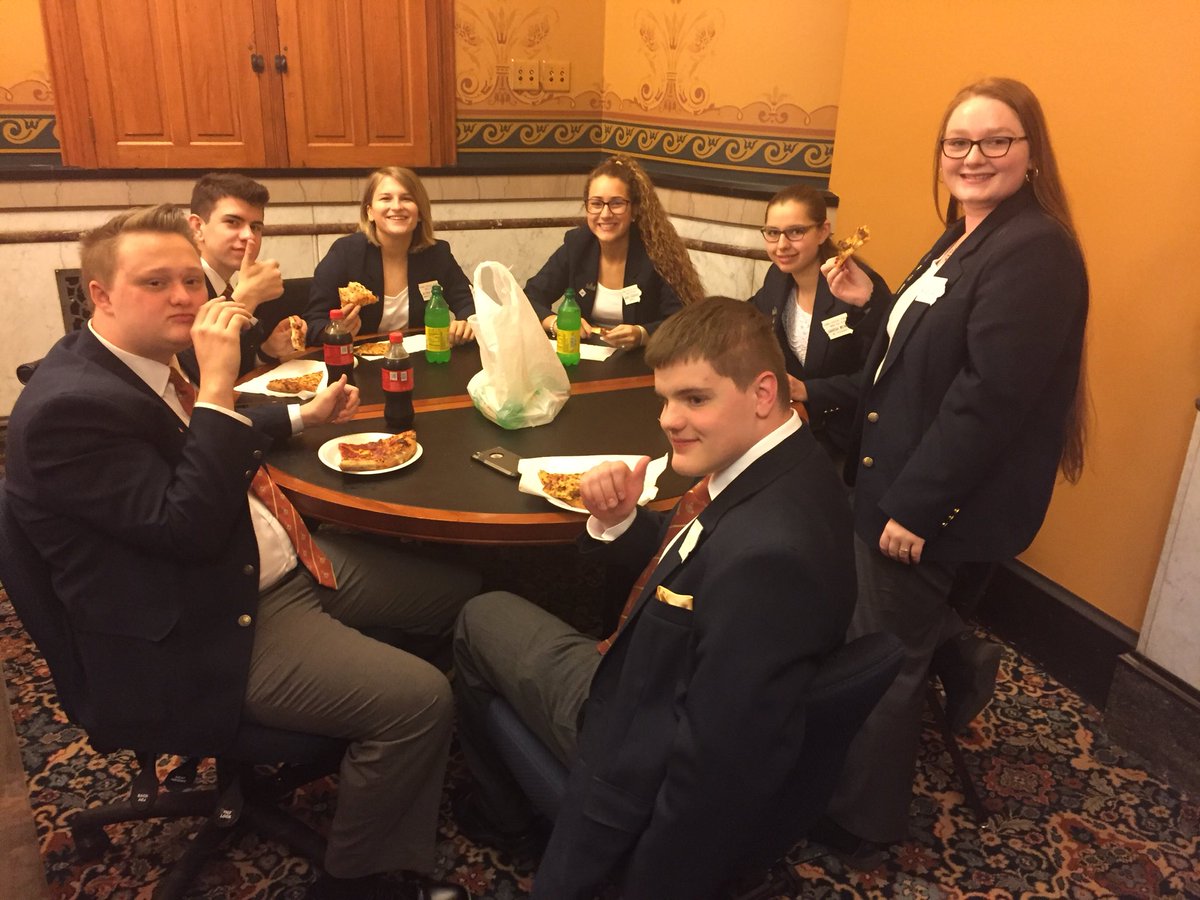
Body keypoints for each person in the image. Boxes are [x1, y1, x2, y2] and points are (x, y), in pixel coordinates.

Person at [4, 205, 477, 900]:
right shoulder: (71, 408)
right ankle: (360, 881)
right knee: (418, 700)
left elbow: (187, 437)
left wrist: (297, 416)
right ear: (98, 294)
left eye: (191, 281)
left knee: (462, 594)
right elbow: (184, 528)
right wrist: (221, 383)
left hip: (267, 560)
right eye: (155, 283)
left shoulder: (127, 364)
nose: (184, 297)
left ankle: (413, 766)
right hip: (201, 621)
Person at [452, 298, 857, 899]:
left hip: (628, 737)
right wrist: (617, 522)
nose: (669, 420)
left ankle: (502, 817)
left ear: (763, 392)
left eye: (696, 399)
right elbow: (700, 555)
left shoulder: (770, 557)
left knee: (475, 614)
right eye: (665, 399)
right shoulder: (782, 468)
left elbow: (712, 773)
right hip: (656, 682)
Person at [820, 77, 1089, 857]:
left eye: (996, 141)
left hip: (923, 504)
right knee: (882, 634)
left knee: (884, 666)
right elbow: (920, 358)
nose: (974, 156)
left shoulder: (1034, 250)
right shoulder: (965, 232)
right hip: (893, 482)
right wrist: (874, 300)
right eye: (958, 143)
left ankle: (857, 825)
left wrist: (915, 507)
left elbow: (988, 400)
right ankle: (959, 650)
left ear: (1032, 153)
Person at [748, 183, 891, 459]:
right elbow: (749, 313)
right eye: (773, 233)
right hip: (794, 425)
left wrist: (808, 390)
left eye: (796, 231)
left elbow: (880, 378)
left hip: (846, 440)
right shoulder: (777, 277)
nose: (782, 245)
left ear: (823, 231)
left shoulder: (860, 289)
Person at [524, 154, 704, 349]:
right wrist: (556, 324)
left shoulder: (657, 251)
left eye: (616, 203)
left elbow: (683, 321)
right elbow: (529, 298)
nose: (605, 214)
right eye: (596, 203)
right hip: (587, 358)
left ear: (634, 209)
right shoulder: (578, 245)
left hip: (645, 360)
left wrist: (642, 334)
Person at [305, 167, 474, 346]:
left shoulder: (437, 253)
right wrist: (335, 331)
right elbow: (313, 322)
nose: (397, 206)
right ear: (369, 211)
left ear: (419, 212)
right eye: (386, 198)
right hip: (359, 365)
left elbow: (467, 303)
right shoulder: (345, 253)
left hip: (420, 360)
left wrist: (468, 322)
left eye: (407, 198)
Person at [178, 172, 302, 382]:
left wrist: (267, 351)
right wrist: (245, 300)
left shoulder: (226, 285)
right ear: (198, 228)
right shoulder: (181, 287)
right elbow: (192, 377)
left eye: (255, 227)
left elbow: (234, 368)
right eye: (233, 222)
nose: (249, 236)